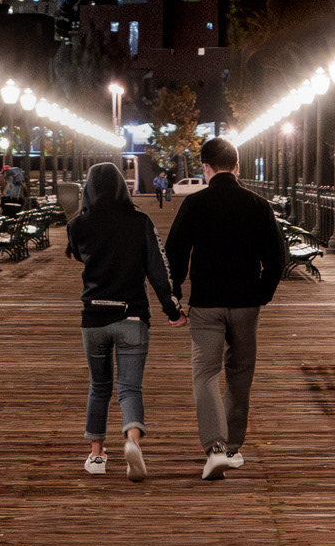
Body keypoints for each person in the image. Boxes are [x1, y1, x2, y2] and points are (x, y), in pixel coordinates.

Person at [164, 135, 286, 481]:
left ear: (206, 168)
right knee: (240, 373)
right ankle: (233, 447)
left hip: (206, 302)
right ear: (237, 165)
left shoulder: (195, 204)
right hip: (246, 302)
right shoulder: (258, 205)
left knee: (205, 373)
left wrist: (174, 296)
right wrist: (263, 292)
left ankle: (215, 447)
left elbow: (174, 254)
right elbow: (277, 258)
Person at [66, 162, 185, 479]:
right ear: (122, 186)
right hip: (132, 314)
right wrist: (173, 310)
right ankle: (132, 439)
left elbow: (78, 254)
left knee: (99, 386)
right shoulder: (140, 222)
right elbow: (158, 272)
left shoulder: (78, 226)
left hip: (93, 317)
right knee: (130, 388)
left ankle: (96, 456)